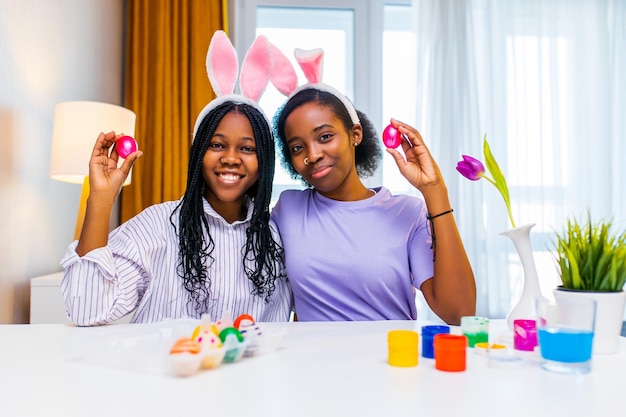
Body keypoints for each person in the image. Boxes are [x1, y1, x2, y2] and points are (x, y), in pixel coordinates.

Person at [61, 31, 293, 326]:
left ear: (264, 162)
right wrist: (102, 199)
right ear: (198, 154)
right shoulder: (156, 226)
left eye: (247, 149)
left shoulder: (277, 238)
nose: (231, 158)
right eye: (217, 145)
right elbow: (86, 311)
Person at [270, 48, 475, 325]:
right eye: (297, 147)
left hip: (393, 363)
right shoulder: (289, 210)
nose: (313, 154)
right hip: (313, 365)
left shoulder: (407, 213)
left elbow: (459, 313)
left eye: (325, 136)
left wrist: (434, 191)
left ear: (355, 134)